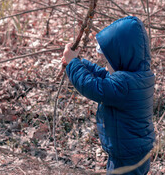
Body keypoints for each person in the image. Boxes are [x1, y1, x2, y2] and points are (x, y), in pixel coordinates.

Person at [63, 16, 155, 174]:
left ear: (122, 57)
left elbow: (92, 86)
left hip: (125, 157)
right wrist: (79, 62)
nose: (105, 67)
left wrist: (73, 64)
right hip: (135, 151)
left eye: (107, 62)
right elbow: (104, 77)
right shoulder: (139, 76)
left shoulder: (123, 84)